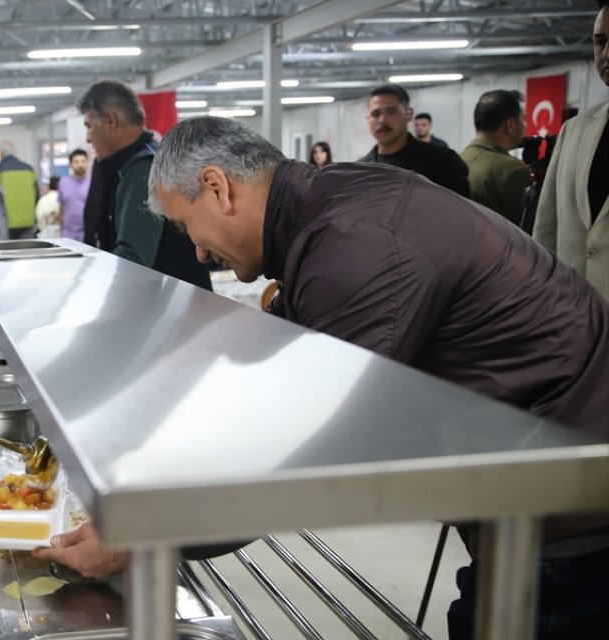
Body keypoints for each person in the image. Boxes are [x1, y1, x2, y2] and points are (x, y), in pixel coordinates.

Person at [142, 115, 608, 640]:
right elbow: (284, 350)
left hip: (570, 505)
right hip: (542, 477)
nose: (199, 252)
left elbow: (308, 453)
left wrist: (140, 533)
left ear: (216, 187)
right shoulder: (328, 207)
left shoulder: (355, 242)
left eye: (187, 228)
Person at [76, 79, 212, 290]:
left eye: (89, 126)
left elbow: (132, 261)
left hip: (168, 312)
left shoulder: (142, 170)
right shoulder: (151, 158)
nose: (87, 137)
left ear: (111, 121)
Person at [534, 2, 609, 301]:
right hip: (574, 323)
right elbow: (545, 235)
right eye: (601, 42)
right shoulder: (574, 131)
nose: (606, 55)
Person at [359, 84, 470, 197]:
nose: (382, 120)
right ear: (368, 119)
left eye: (392, 111)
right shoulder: (360, 171)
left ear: (409, 114)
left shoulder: (444, 162)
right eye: (376, 114)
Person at [461, 90, 533, 226]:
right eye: (523, 119)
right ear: (510, 125)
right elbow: (530, 227)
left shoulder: (459, 159)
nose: (525, 125)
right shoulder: (511, 170)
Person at [0, 139, 40, 238]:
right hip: (28, 221)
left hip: (6, 223)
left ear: (1, 153)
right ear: (14, 152)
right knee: (26, 251)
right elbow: (37, 195)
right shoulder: (29, 169)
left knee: (6, 252)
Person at [59, 148, 92, 241]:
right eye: (76, 162)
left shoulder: (93, 183)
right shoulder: (63, 182)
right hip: (68, 234)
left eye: (83, 161)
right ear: (70, 164)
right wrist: (61, 230)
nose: (80, 164)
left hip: (87, 233)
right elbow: (61, 208)